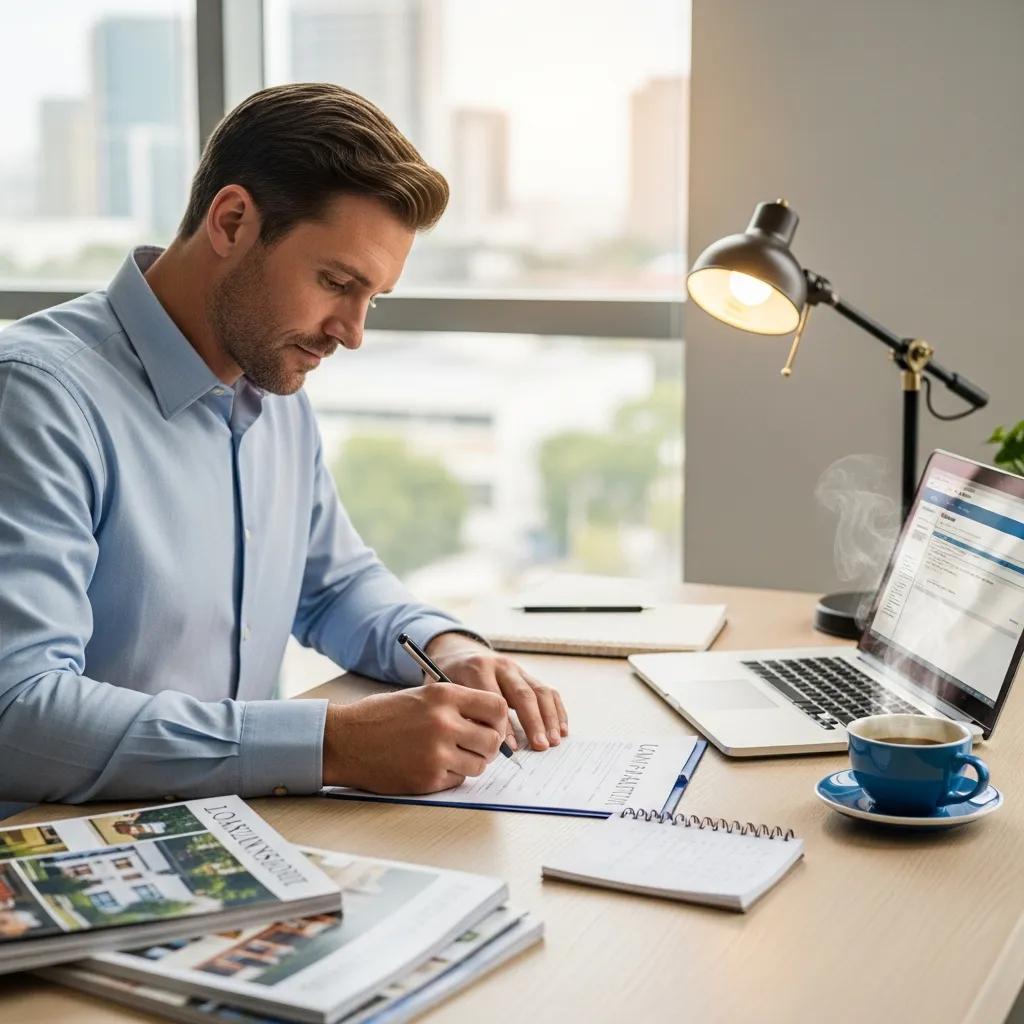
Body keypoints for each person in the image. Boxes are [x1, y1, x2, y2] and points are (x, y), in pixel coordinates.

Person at [0, 83, 567, 804]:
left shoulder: (272, 386)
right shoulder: (38, 398)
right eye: (336, 282)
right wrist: (331, 742)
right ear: (233, 221)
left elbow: (333, 586)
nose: (353, 331)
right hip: (57, 865)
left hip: (246, 840)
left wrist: (447, 650)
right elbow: (16, 711)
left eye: (372, 299)